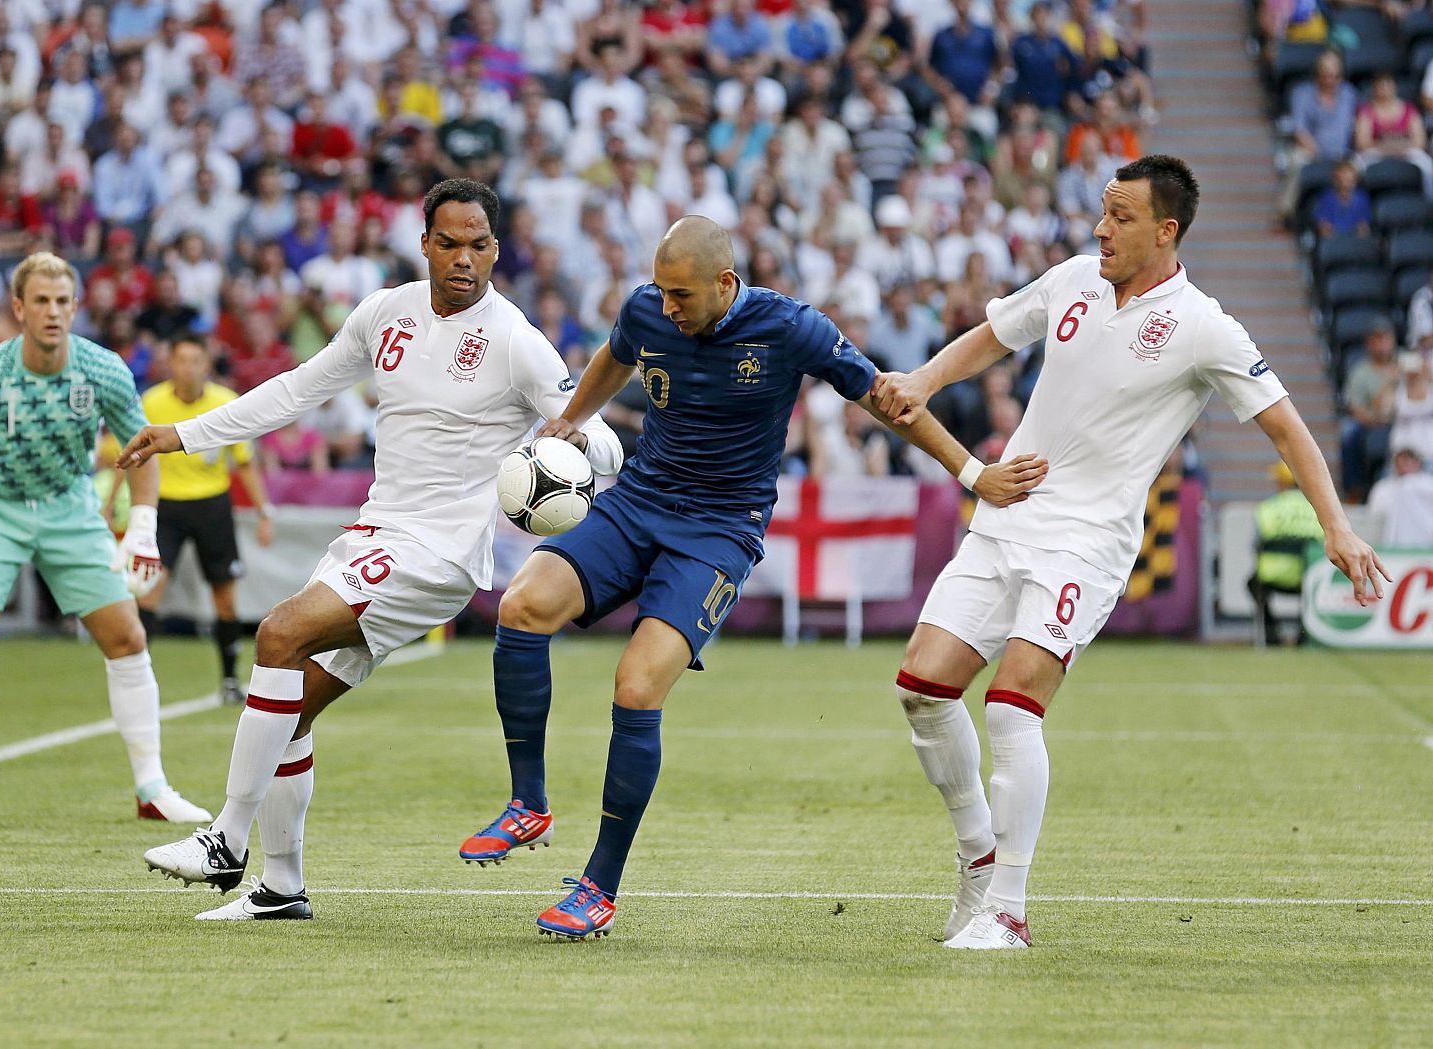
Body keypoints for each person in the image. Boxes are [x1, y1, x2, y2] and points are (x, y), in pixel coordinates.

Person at [463, 214, 1048, 941]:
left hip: (718, 530)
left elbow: (885, 400)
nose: (667, 308)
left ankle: (598, 886)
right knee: (521, 605)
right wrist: (570, 418)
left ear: (726, 283)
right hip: (641, 499)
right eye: (662, 293)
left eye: (682, 296)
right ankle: (529, 802)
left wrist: (973, 472)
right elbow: (617, 354)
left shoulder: (792, 328)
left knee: (637, 685)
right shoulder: (648, 306)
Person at [873, 155, 1388, 950]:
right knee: (921, 686)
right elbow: (992, 335)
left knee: (1011, 705)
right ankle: (978, 854)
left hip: (1089, 541)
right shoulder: (1074, 278)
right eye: (1102, 212)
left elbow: (1286, 424)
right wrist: (925, 379)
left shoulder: (1203, 326)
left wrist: (1338, 524)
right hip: (1009, 515)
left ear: (1165, 229)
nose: (1100, 228)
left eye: (1119, 217)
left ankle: (1007, 909)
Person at [119, 179, 624, 920]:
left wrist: (580, 437)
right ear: (423, 243)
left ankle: (227, 838)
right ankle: (282, 888)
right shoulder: (384, 313)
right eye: (448, 243)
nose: (462, 260)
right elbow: (296, 388)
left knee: (278, 633)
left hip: (439, 553)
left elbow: (603, 435)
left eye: (478, 245)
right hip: (374, 532)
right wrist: (185, 433)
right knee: (289, 707)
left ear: (495, 250)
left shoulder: (514, 337)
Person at [0, 252, 213, 829]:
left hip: (70, 511)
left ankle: (152, 787)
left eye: (63, 301)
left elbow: (140, 448)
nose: (53, 312)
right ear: (18, 308)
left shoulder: (103, 369)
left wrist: (142, 527)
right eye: (40, 301)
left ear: (76, 307)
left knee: (128, 637)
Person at [137, 332, 276, 706]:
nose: (188, 368)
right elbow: (135, 455)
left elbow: (245, 463)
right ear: (171, 364)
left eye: (195, 361)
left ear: (206, 364)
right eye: (181, 360)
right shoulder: (152, 402)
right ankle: (137, 678)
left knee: (225, 597)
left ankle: (230, 679)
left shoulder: (225, 403)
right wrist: (115, 505)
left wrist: (264, 512)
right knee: (150, 588)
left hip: (212, 506)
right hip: (166, 506)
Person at [1247, 461, 1324, 645]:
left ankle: (1271, 633)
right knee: (1313, 592)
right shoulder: (1316, 509)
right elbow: (1322, 546)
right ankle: (1302, 635)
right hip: (1305, 578)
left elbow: (1254, 545)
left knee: (1251, 584)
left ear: (1283, 483)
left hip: (1270, 577)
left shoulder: (1268, 508)